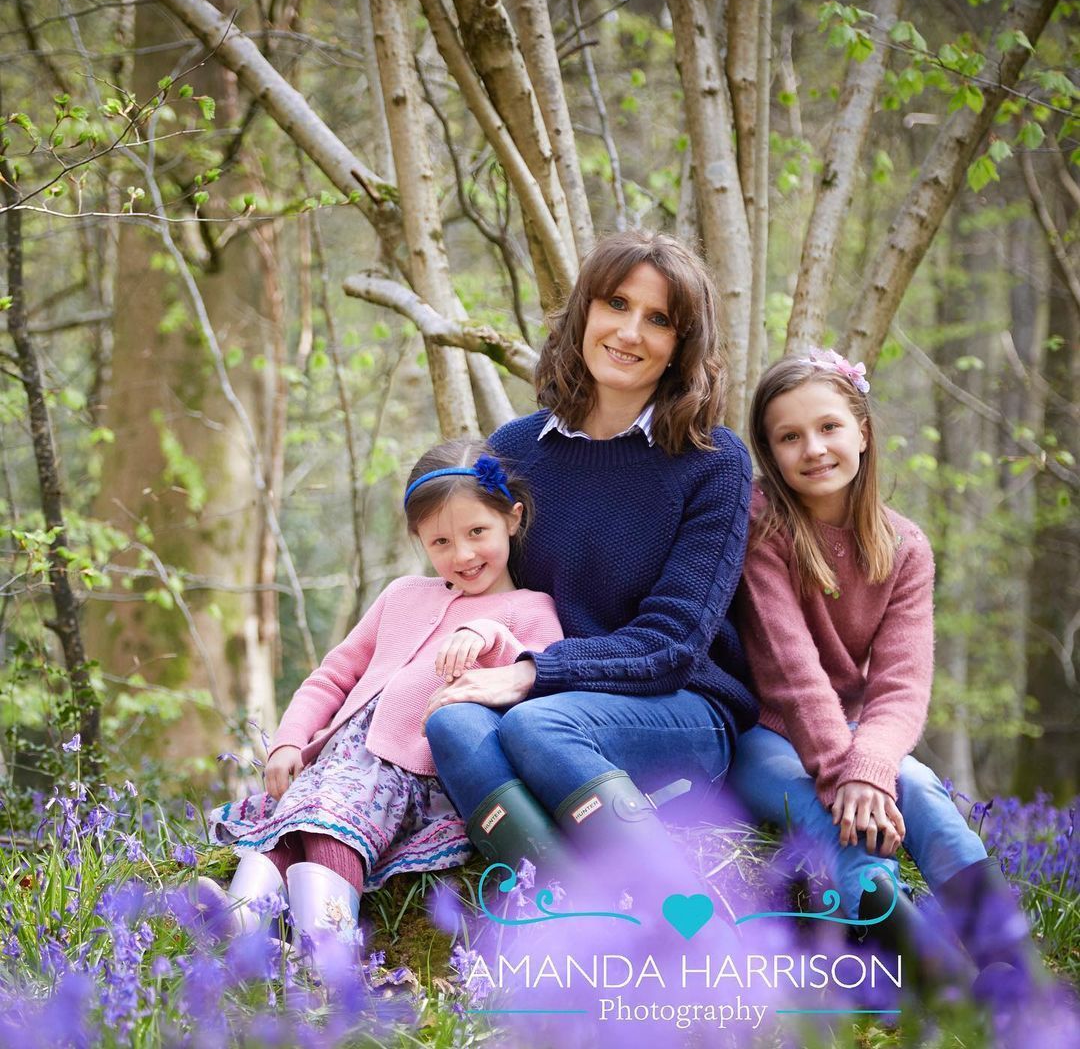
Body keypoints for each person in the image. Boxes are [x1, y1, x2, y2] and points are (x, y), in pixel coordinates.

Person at [421, 230, 757, 901]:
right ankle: (580, 922)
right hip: (548, 701)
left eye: (659, 319)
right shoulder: (511, 452)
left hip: (681, 709)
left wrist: (530, 675)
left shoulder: (715, 462)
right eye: (616, 303)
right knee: (451, 723)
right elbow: (465, 570)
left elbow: (673, 643)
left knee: (539, 724)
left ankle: (692, 932)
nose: (630, 331)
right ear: (584, 314)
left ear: (681, 348)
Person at [729, 348, 1037, 996]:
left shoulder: (903, 547)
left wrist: (868, 766)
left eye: (829, 427)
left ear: (863, 430)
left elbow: (901, 684)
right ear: (769, 451)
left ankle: (1008, 964)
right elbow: (791, 671)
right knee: (825, 806)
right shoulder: (764, 527)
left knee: (920, 789)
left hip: (850, 726)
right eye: (789, 437)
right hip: (761, 732)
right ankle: (915, 957)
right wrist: (848, 777)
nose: (813, 448)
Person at [199, 441, 563, 962]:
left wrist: (490, 635)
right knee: (295, 820)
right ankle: (243, 922)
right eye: (440, 541)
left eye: (477, 532)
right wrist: (288, 742)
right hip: (341, 758)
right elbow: (333, 675)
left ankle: (327, 951)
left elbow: (539, 674)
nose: (462, 555)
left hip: (411, 773)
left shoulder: (530, 609)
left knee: (332, 814)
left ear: (512, 517)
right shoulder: (402, 596)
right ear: (420, 541)